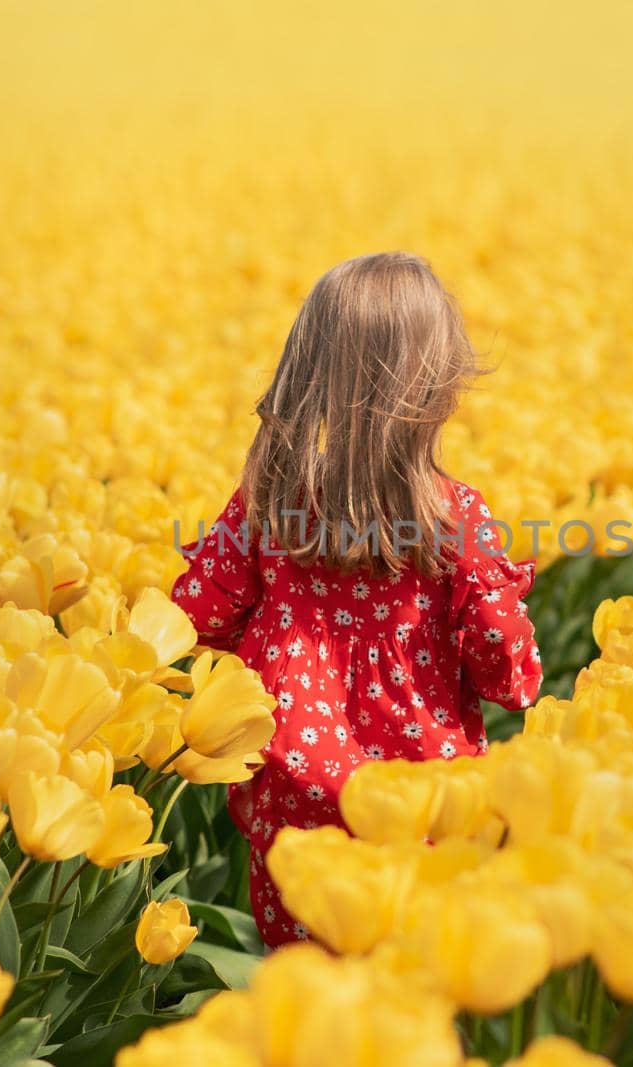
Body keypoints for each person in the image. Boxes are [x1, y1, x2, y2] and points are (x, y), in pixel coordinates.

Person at [170, 251, 542, 946]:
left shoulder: (268, 504)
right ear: (434, 388)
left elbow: (194, 619)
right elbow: (509, 675)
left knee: (302, 996)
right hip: (422, 813)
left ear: (306, 373)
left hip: (289, 802)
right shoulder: (453, 517)